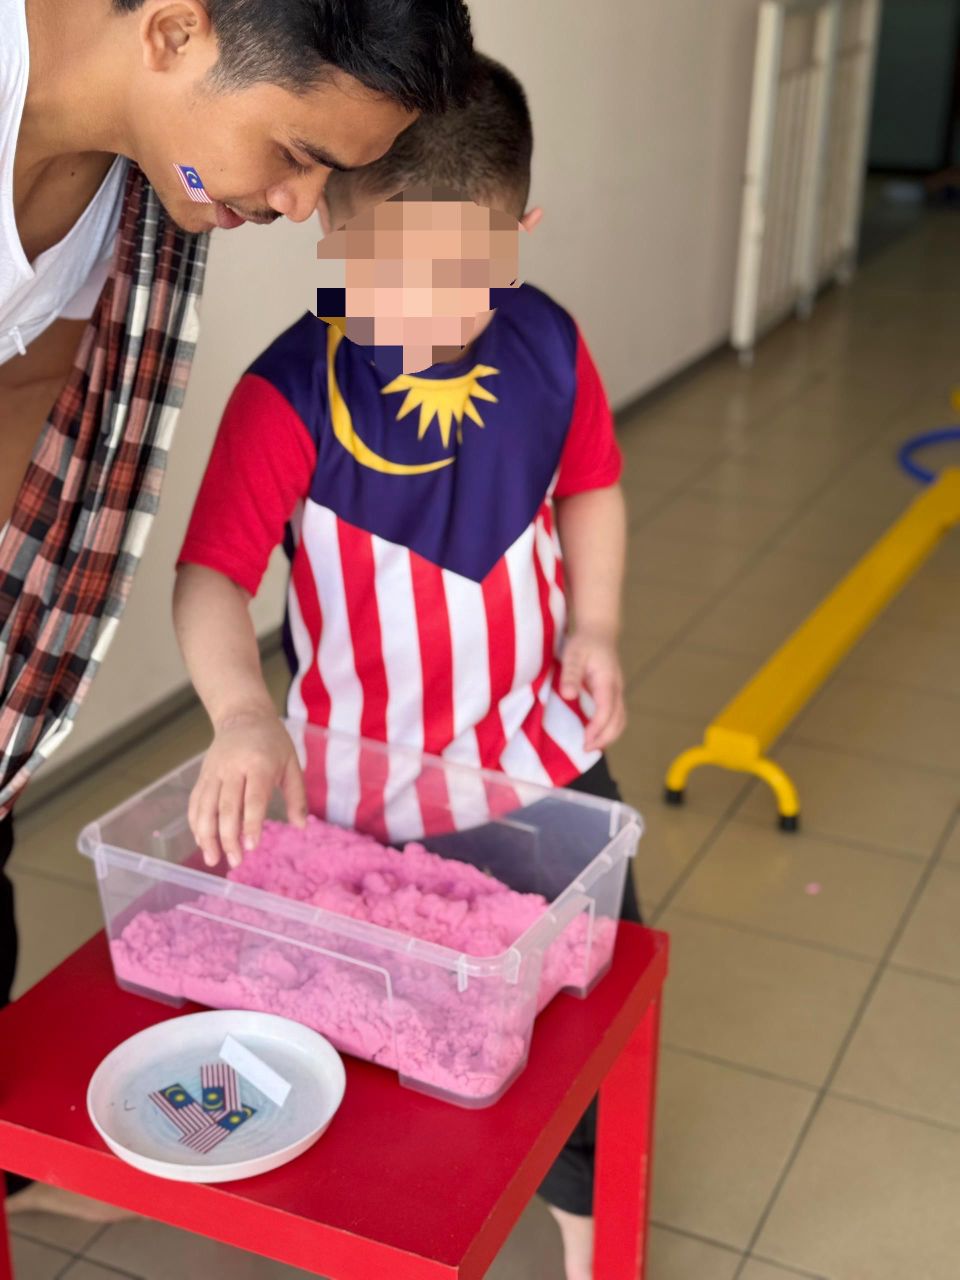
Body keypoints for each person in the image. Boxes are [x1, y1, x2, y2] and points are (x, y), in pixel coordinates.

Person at [2, 0, 475, 1219]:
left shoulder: (142, 189)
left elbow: (33, 385)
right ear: (173, 33)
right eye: (298, 155)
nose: (304, 207)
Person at [174, 55, 637, 1280]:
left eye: (460, 277)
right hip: (363, 793)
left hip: (540, 762)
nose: (421, 314)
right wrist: (242, 712)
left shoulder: (549, 345)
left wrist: (595, 625)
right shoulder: (290, 392)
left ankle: (592, 1237)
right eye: (382, 277)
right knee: (389, 1029)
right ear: (328, 230)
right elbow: (212, 575)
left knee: (585, 1022)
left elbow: (592, 485)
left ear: (518, 238)